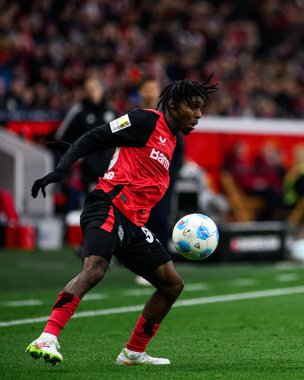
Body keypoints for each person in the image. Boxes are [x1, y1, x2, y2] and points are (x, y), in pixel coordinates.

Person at [26, 76, 218, 366]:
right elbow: (94, 137)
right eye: (193, 107)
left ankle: (133, 353)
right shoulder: (144, 120)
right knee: (95, 269)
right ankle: (47, 337)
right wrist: (60, 170)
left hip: (133, 225)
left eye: (201, 108)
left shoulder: (172, 140)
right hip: (107, 206)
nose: (199, 114)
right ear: (172, 104)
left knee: (172, 284)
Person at [54, 76, 116, 209]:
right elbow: (61, 136)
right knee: (94, 210)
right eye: (88, 89)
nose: (91, 91)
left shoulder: (111, 111)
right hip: (89, 173)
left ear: (102, 89)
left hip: (112, 172)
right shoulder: (79, 111)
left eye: (94, 88)